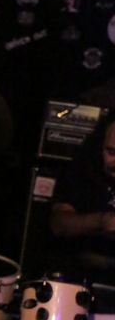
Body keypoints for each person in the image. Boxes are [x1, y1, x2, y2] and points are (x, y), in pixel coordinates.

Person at [49, 108, 115, 282]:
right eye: (111, 152)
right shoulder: (84, 168)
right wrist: (102, 221)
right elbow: (59, 224)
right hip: (78, 278)